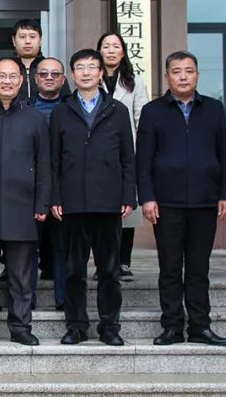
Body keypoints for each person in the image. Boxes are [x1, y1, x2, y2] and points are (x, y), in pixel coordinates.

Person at [138, 51, 226, 347]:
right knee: (169, 268)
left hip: (205, 201)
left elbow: (225, 155)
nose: (183, 76)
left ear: (197, 75)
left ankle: (200, 327)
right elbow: (143, 159)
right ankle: (171, 327)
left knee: (198, 268)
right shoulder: (153, 111)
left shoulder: (214, 109)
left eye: (189, 71)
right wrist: (147, 197)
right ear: (167, 76)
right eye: (177, 71)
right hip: (166, 203)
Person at [49, 49, 136, 347]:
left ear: (101, 73)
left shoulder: (117, 110)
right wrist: (55, 197)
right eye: (80, 68)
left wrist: (128, 195)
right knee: (74, 271)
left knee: (109, 270)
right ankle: (76, 326)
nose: (86, 73)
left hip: (108, 203)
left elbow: (128, 158)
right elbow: (54, 160)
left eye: (91, 68)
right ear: (72, 75)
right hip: (72, 204)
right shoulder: (62, 111)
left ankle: (109, 327)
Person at [0, 58, 50, 346]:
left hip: (22, 207)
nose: (6, 81)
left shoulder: (35, 119)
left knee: (21, 275)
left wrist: (42, 204)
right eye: (1, 76)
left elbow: (44, 165)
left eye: (12, 76)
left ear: (21, 81)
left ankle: (21, 326)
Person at [98, 32, 150, 281]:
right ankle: (103, 263)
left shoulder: (134, 80)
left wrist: (142, 151)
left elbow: (142, 117)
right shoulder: (92, 78)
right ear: (99, 51)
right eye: (106, 46)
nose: (110, 50)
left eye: (115, 46)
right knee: (101, 211)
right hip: (98, 154)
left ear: (123, 52)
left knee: (127, 210)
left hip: (126, 152)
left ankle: (123, 261)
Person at [32, 57, 69, 311]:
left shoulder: (71, 109)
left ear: (63, 80)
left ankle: (63, 299)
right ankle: (27, 299)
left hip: (64, 188)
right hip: (30, 187)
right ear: (35, 79)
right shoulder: (25, 108)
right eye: (43, 73)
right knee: (27, 248)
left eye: (54, 74)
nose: (48, 78)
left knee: (61, 248)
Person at [12, 18, 70, 101]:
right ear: (14, 41)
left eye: (32, 37)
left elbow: (67, 100)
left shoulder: (52, 69)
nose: (27, 41)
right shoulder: (6, 69)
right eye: (22, 37)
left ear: (40, 40)